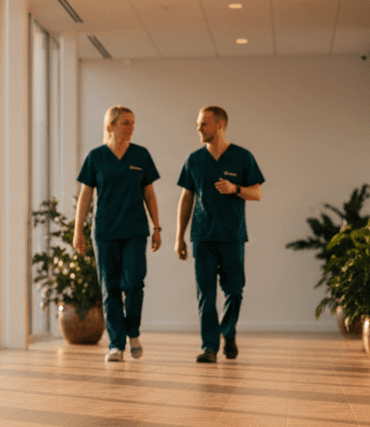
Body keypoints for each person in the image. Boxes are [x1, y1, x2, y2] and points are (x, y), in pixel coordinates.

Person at [175, 106, 265, 363]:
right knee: (205, 294)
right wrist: (179, 236)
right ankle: (209, 346)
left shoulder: (242, 157)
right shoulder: (194, 160)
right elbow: (186, 197)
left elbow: (257, 193)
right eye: (198, 124)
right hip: (202, 237)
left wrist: (235, 188)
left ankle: (229, 332)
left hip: (232, 237)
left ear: (220, 125)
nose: (199, 129)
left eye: (204, 124)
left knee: (234, 291)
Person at [73, 106, 162, 362]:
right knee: (109, 288)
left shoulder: (141, 155)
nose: (131, 128)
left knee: (134, 283)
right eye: (125, 123)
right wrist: (78, 229)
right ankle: (116, 344)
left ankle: (132, 331)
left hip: (135, 230)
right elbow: (86, 196)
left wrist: (157, 227)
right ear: (110, 125)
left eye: (133, 123)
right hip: (104, 232)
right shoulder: (96, 157)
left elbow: (149, 194)